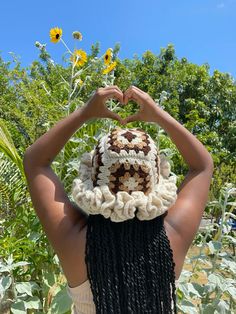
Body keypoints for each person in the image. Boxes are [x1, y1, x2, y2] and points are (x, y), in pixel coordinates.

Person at [23, 85, 214, 313]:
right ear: (155, 181)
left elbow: (35, 161)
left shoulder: (73, 237)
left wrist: (85, 112)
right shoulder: (172, 236)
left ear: (94, 179)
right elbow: (202, 166)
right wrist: (158, 114)